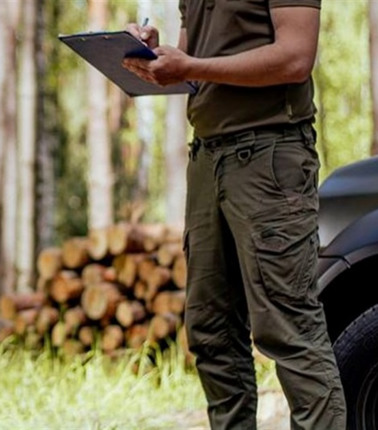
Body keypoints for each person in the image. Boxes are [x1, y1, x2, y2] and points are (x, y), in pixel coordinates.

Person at [123, 1, 346, 429]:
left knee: (290, 331)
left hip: (270, 156)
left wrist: (192, 64)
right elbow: (191, 61)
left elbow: (296, 56)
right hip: (207, 156)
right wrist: (154, 55)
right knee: (212, 334)